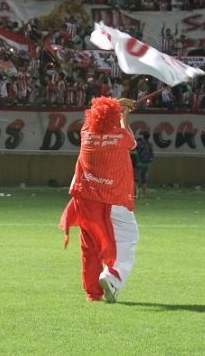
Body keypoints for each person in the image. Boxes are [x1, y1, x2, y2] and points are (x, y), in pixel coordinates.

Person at [59, 97, 139, 303]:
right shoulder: (121, 136)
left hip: (86, 200)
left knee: (89, 248)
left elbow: (92, 116)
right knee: (127, 240)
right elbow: (132, 142)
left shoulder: (86, 134)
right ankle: (112, 276)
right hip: (113, 201)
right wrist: (124, 117)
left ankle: (92, 293)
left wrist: (114, 104)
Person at [132, 130, 154, 196]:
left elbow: (133, 149)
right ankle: (144, 194)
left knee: (135, 179)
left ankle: (135, 194)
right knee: (144, 180)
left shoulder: (139, 143)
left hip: (139, 163)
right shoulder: (149, 144)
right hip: (147, 164)